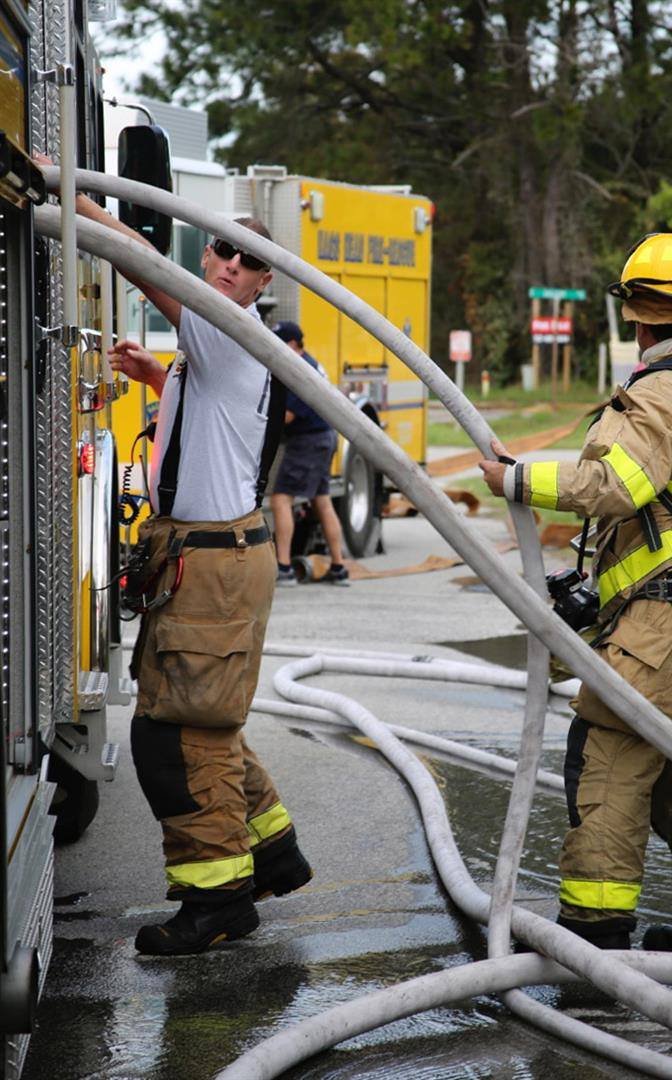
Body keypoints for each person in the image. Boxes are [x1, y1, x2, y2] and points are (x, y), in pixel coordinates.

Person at [480, 233, 672, 958]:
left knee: (610, 764)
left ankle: (591, 943)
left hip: (664, 619)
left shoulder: (660, 390)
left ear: (636, 315)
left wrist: (515, 480)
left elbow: (615, 488)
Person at [65, 180, 312, 954]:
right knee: (207, 722)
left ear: (266, 279)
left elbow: (142, 263)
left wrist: (73, 196)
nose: (232, 263)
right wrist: (149, 377)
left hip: (212, 565)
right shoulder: (211, 344)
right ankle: (272, 853)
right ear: (208, 254)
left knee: (174, 737)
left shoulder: (231, 327)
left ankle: (217, 902)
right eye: (222, 250)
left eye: (250, 258)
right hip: (204, 559)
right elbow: (215, 423)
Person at [269, 321, 349, 586]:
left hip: (309, 441)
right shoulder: (311, 363)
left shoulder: (300, 370)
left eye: (278, 343)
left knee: (281, 499)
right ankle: (338, 567)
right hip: (324, 437)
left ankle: (283, 567)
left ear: (292, 344)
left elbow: (286, 417)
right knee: (321, 500)